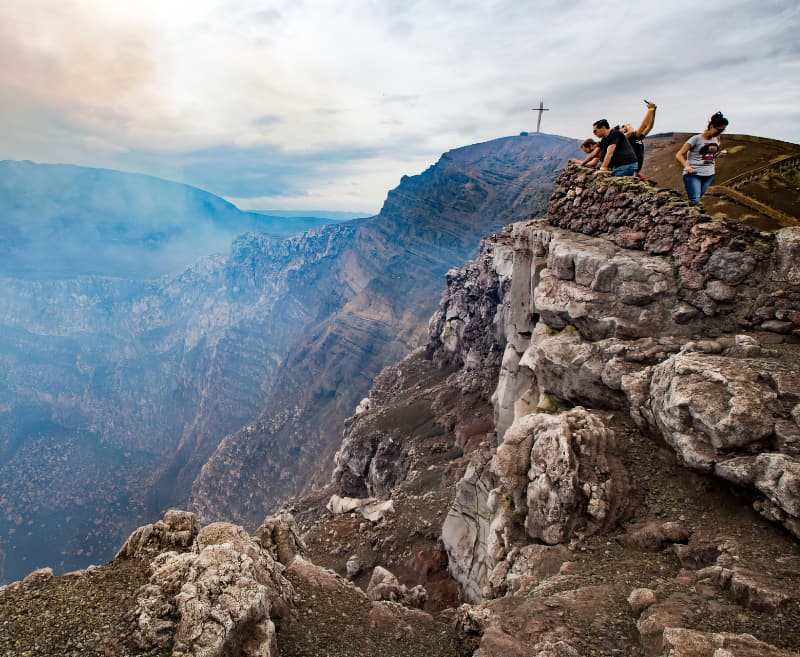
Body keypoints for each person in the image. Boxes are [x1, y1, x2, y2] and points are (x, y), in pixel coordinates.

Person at [675, 111, 729, 205]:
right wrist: (687, 167)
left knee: (697, 199)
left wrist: (719, 155)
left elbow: (710, 156)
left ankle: (686, 214)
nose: (720, 133)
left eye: (722, 130)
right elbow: (679, 154)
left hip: (709, 174)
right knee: (695, 200)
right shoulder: (695, 139)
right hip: (693, 173)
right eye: (719, 130)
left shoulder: (717, 139)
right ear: (711, 126)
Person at [621, 100, 657, 177]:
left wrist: (653, 111)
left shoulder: (636, 137)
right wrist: (627, 125)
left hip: (636, 170)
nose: (625, 127)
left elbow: (648, 126)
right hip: (629, 170)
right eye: (622, 127)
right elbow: (640, 127)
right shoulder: (624, 139)